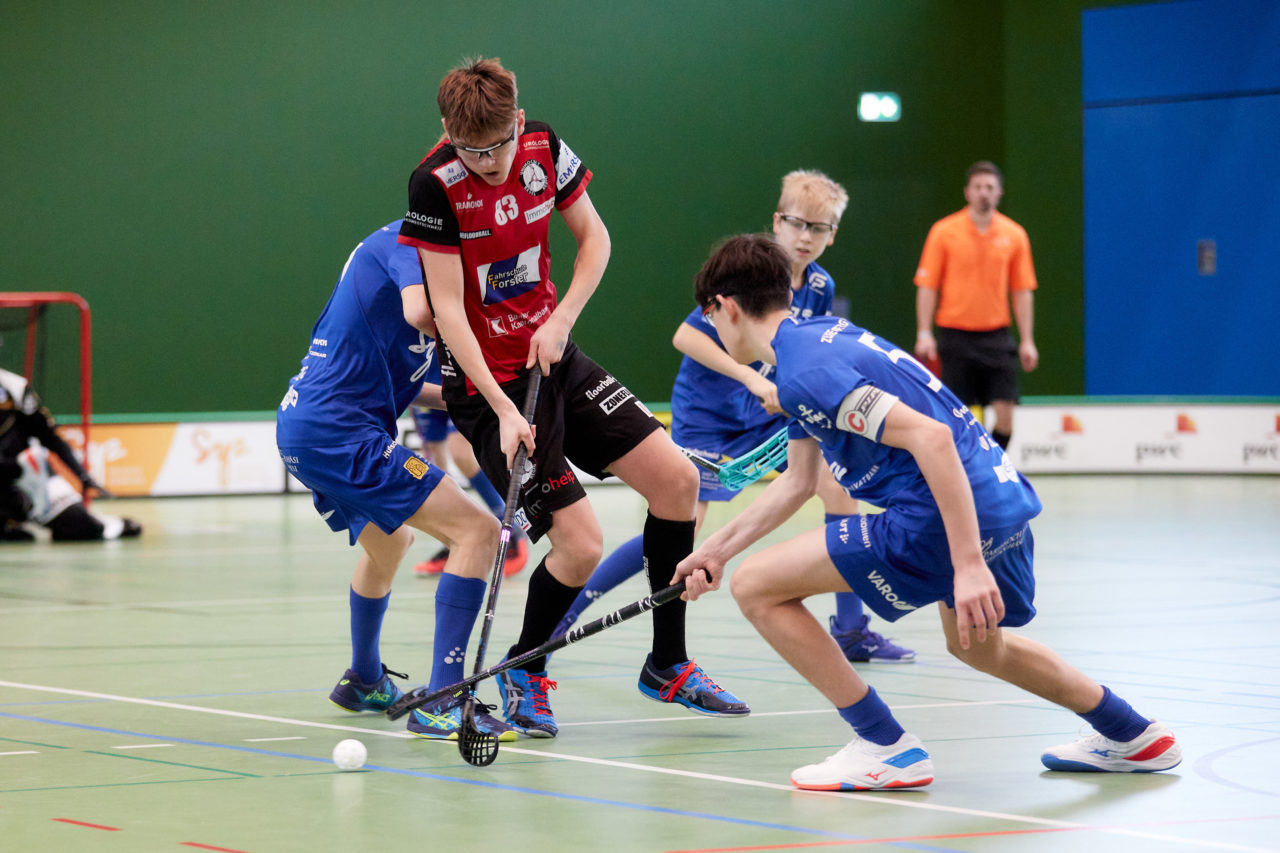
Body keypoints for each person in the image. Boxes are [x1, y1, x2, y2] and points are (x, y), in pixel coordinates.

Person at [674, 234, 1181, 790]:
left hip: (939, 515)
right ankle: (1133, 734)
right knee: (978, 647)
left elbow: (933, 439)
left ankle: (884, 745)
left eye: (709, 317)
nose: (711, 331)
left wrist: (966, 565)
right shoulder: (816, 344)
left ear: (724, 306)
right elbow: (798, 482)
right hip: (998, 501)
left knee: (758, 587)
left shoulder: (804, 372)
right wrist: (713, 552)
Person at [397, 57, 746, 738]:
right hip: (488, 385)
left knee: (677, 481)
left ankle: (666, 662)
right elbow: (446, 308)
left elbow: (595, 240)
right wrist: (497, 409)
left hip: (555, 356)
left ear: (518, 122)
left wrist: (561, 321)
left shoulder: (544, 147)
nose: (489, 163)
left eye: (497, 145)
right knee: (580, 545)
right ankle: (526, 665)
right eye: (472, 150)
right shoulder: (433, 182)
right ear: (448, 133)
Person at [552, 170, 914, 664]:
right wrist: (751, 379)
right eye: (797, 224)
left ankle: (851, 628)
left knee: (837, 490)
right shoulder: (752, 274)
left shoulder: (821, 286)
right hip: (710, 415)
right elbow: (686, 337)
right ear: (777, 221)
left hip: (768, 415)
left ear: (833, 233)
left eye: (820, 228)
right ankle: (564, 616)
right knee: (681, 531)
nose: (806, 237)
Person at [276, 220, 515, 743]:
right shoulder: (412, 242)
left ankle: (364, 678)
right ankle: (443, 702)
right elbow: (423, 313)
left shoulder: (410, 272)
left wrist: (483, 399)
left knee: (392, 539)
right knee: (475, 531)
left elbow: (408, 387)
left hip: (307, 426)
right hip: (341, 432)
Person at [913, 161, 1038, 450]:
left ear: (999, 193)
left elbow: (1022, 291)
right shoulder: (944, 231)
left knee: (1006, 414)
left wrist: (1028, 341)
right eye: (979, 187)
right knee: (959, 415)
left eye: (990, 188)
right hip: (955, 335)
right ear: (967, 192)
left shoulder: (1015, 234)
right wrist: (924, 332)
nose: (984, 193)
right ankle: (966, 473)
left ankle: (992, 465)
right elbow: (927, 285)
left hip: (996, 335)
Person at [409, 357, 530, 577]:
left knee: (461, 453)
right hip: (419, 373)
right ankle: (453, 538)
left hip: (455, 368)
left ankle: (510, 525)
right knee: (435, 460)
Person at [0, 368, 141, 542]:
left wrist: (84, 478)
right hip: (9, 475)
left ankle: (107, 524)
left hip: (24, 478)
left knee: (83, 527)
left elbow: (50, 438)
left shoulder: (15, 388)